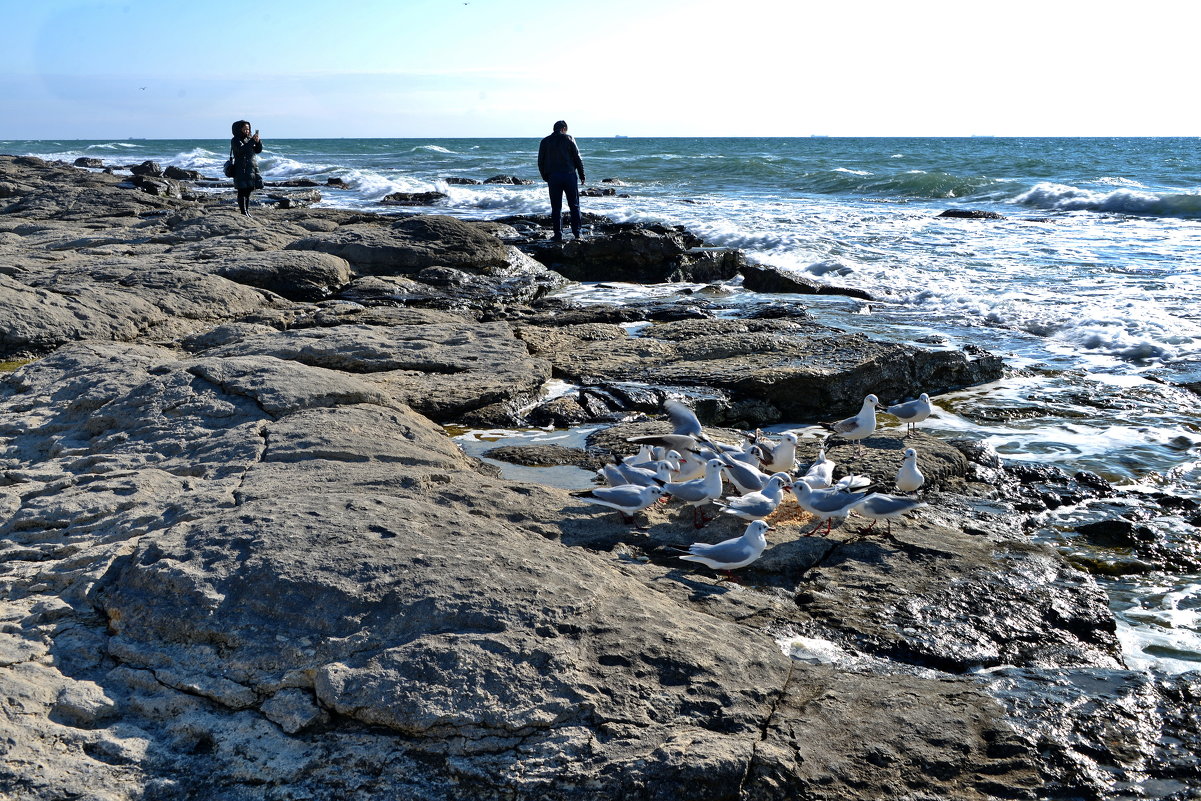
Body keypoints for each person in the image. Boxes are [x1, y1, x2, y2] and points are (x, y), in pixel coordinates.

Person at [537, 120, 586, 242]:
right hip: (569, 175)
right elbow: (577, 157)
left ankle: (558, 234)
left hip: (553, 177)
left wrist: (545, 176)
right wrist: (582, 174)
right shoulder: (569, 138)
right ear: (564, 128)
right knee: (574, 205)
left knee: (556, 207)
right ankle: (577, 233)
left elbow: (540, 161)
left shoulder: (545, 141)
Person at [229, 120, 263, 217]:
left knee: (248, 190)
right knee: (242, 190)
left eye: (248, 129)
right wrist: (252, 141)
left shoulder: (249, 139)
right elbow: (241, 150)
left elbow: (258, 150)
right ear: (238, 129)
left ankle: (247, 211)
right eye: (245, 129)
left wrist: (258, 142)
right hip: (241, 168)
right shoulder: (235, 140)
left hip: (251, 168)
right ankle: (243, 212)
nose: (247, 131)